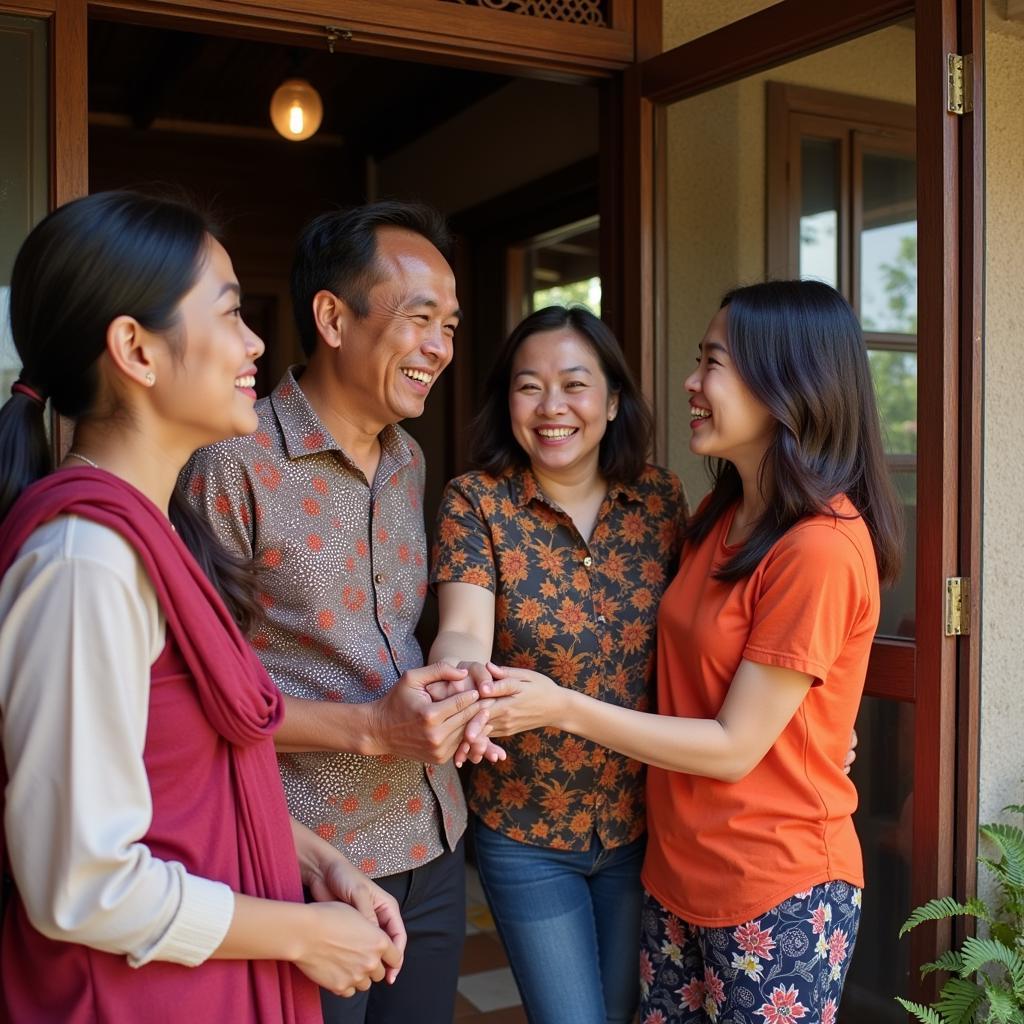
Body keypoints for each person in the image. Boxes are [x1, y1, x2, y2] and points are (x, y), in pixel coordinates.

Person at [0, 191, 406, 1023]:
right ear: (136, 351)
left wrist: (319, 865)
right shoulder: (84, 565)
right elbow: (81, 883)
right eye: (229, 313)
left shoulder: (154, 534)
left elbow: (198, 781)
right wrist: (300, 935)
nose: (256, 341)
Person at [457, 281, 902, 1023]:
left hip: (774, 886)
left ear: (785, 380)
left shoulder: (820, 546)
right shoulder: (716, 514)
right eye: (698, 360)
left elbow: (734, 745)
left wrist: (561, 706)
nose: (692, 383)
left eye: (714, 363)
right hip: (676, 872)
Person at [180, 201, 499, 1024]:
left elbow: (392, 643)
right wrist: (370, 725)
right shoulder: (230, 462)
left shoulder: (409, 458)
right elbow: (193, 697)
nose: (440, 346)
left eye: (451, 326)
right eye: (420, 319)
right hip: (303, 860)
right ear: (332, 317)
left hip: (433, 840)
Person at [429, 305, 687, 1024]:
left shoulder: (661, 503)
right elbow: (462, 629)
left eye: (574, 385)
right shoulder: (476, 501)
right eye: (528, 386)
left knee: (624, 1010)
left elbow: (709, 640)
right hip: (526, 830)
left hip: (644, 825)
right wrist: (463, 677)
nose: (551, 409)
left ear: (611, 400)